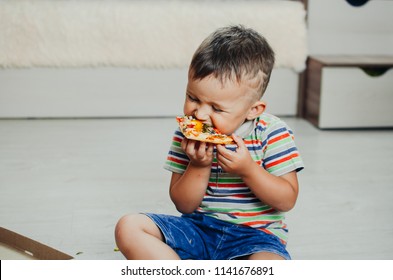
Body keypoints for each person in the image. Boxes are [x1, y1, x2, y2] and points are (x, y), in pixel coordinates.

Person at [115, 25, 304, 260]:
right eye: (193, 98)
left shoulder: (272, 133)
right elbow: (183, 205)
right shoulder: (187, 133)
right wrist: (198, 165)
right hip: (198, 230)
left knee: (271, 264)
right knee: (129, 227)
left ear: (253, 110)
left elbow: (287, 200)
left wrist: (248, 170)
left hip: (255, 238)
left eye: (216, 108)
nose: (200, 115)